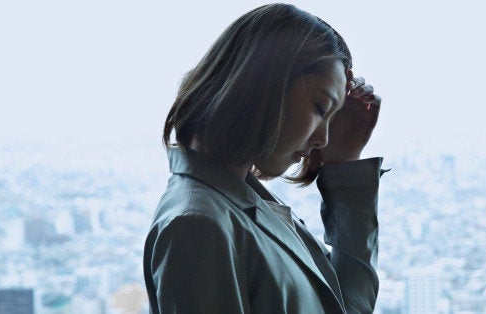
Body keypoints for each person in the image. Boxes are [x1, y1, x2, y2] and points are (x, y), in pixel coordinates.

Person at [143, 3, 385, 313]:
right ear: (264, 84)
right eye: (320, 108)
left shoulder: (239, 204)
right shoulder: (198, 225)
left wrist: (345, 161)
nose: (323, 139)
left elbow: (345, 308)